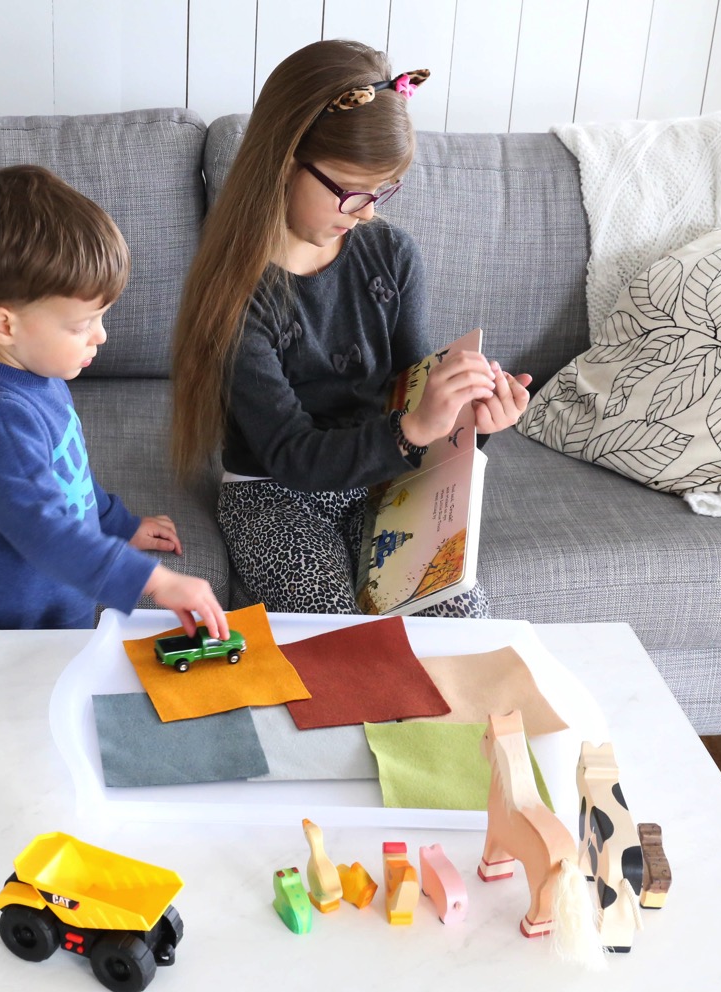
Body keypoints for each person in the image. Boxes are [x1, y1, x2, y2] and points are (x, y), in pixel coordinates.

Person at [170, 39, 531, 616]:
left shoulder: (391, 255)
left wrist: (471, 418)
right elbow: (292, 454)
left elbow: (410, 393)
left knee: (460, 620)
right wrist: (413, 430)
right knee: (338, 637)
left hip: (383, 481)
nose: (367, 211)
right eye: (352, 192)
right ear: (286, 163)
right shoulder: (238, 296)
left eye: (383, 191)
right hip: (274, 493)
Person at [0, 164, 227, 638]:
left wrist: (117, 522)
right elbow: (48, 532)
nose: (100, 336)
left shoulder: (39, 375)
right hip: (3, 631)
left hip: (58, 607)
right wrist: (153, 580)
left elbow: (68, 478)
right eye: (80, 324)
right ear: (5, 326)